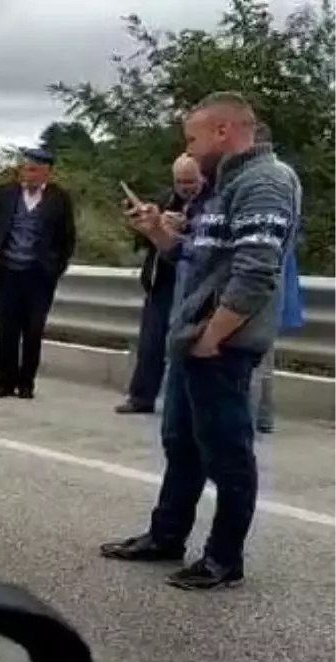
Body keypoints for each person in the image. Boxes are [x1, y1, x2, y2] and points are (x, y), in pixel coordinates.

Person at [101, 91, 298, 590]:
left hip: (221, 345)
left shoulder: (265, 182)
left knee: (226, 454)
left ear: (224, 132)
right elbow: (200, 258)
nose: (189, 148)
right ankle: (166, 536)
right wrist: (158, 235)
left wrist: (212, 337)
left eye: (193, 137)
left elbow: (257, 272)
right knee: (182, 445)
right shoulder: (221, 186)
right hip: (192, 339)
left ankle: (223, 558)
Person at [0, 148, 76, 399]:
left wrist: (56, 268)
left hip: (39, 275)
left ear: (47, 172)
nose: (28, 174)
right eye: (25, 168)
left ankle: (26, 384)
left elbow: (68, 238)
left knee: (33, 330)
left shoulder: (59, 198)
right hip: (8, 272)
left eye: (34, 169)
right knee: (6, 329)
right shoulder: (6, 194)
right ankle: (5, 382)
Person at [115, 156, 205, 414]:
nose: (186, 187)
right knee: (151, 340)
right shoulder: (166, 200)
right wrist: (147, 225)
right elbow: (145, 242)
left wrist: (185, 227)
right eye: (180, 182)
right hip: (162, 278)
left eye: (191, 181)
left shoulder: (211, 203)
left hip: (193, 282)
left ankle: (188, 404)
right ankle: (141, 396)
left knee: (187, 343)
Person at [249, 123, 305, 434]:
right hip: (281, 263)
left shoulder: (271, 176)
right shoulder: (288, 175)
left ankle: (258, 413)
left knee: (259, 349)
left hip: (267, 266)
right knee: (265, 349)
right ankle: (264, 415)